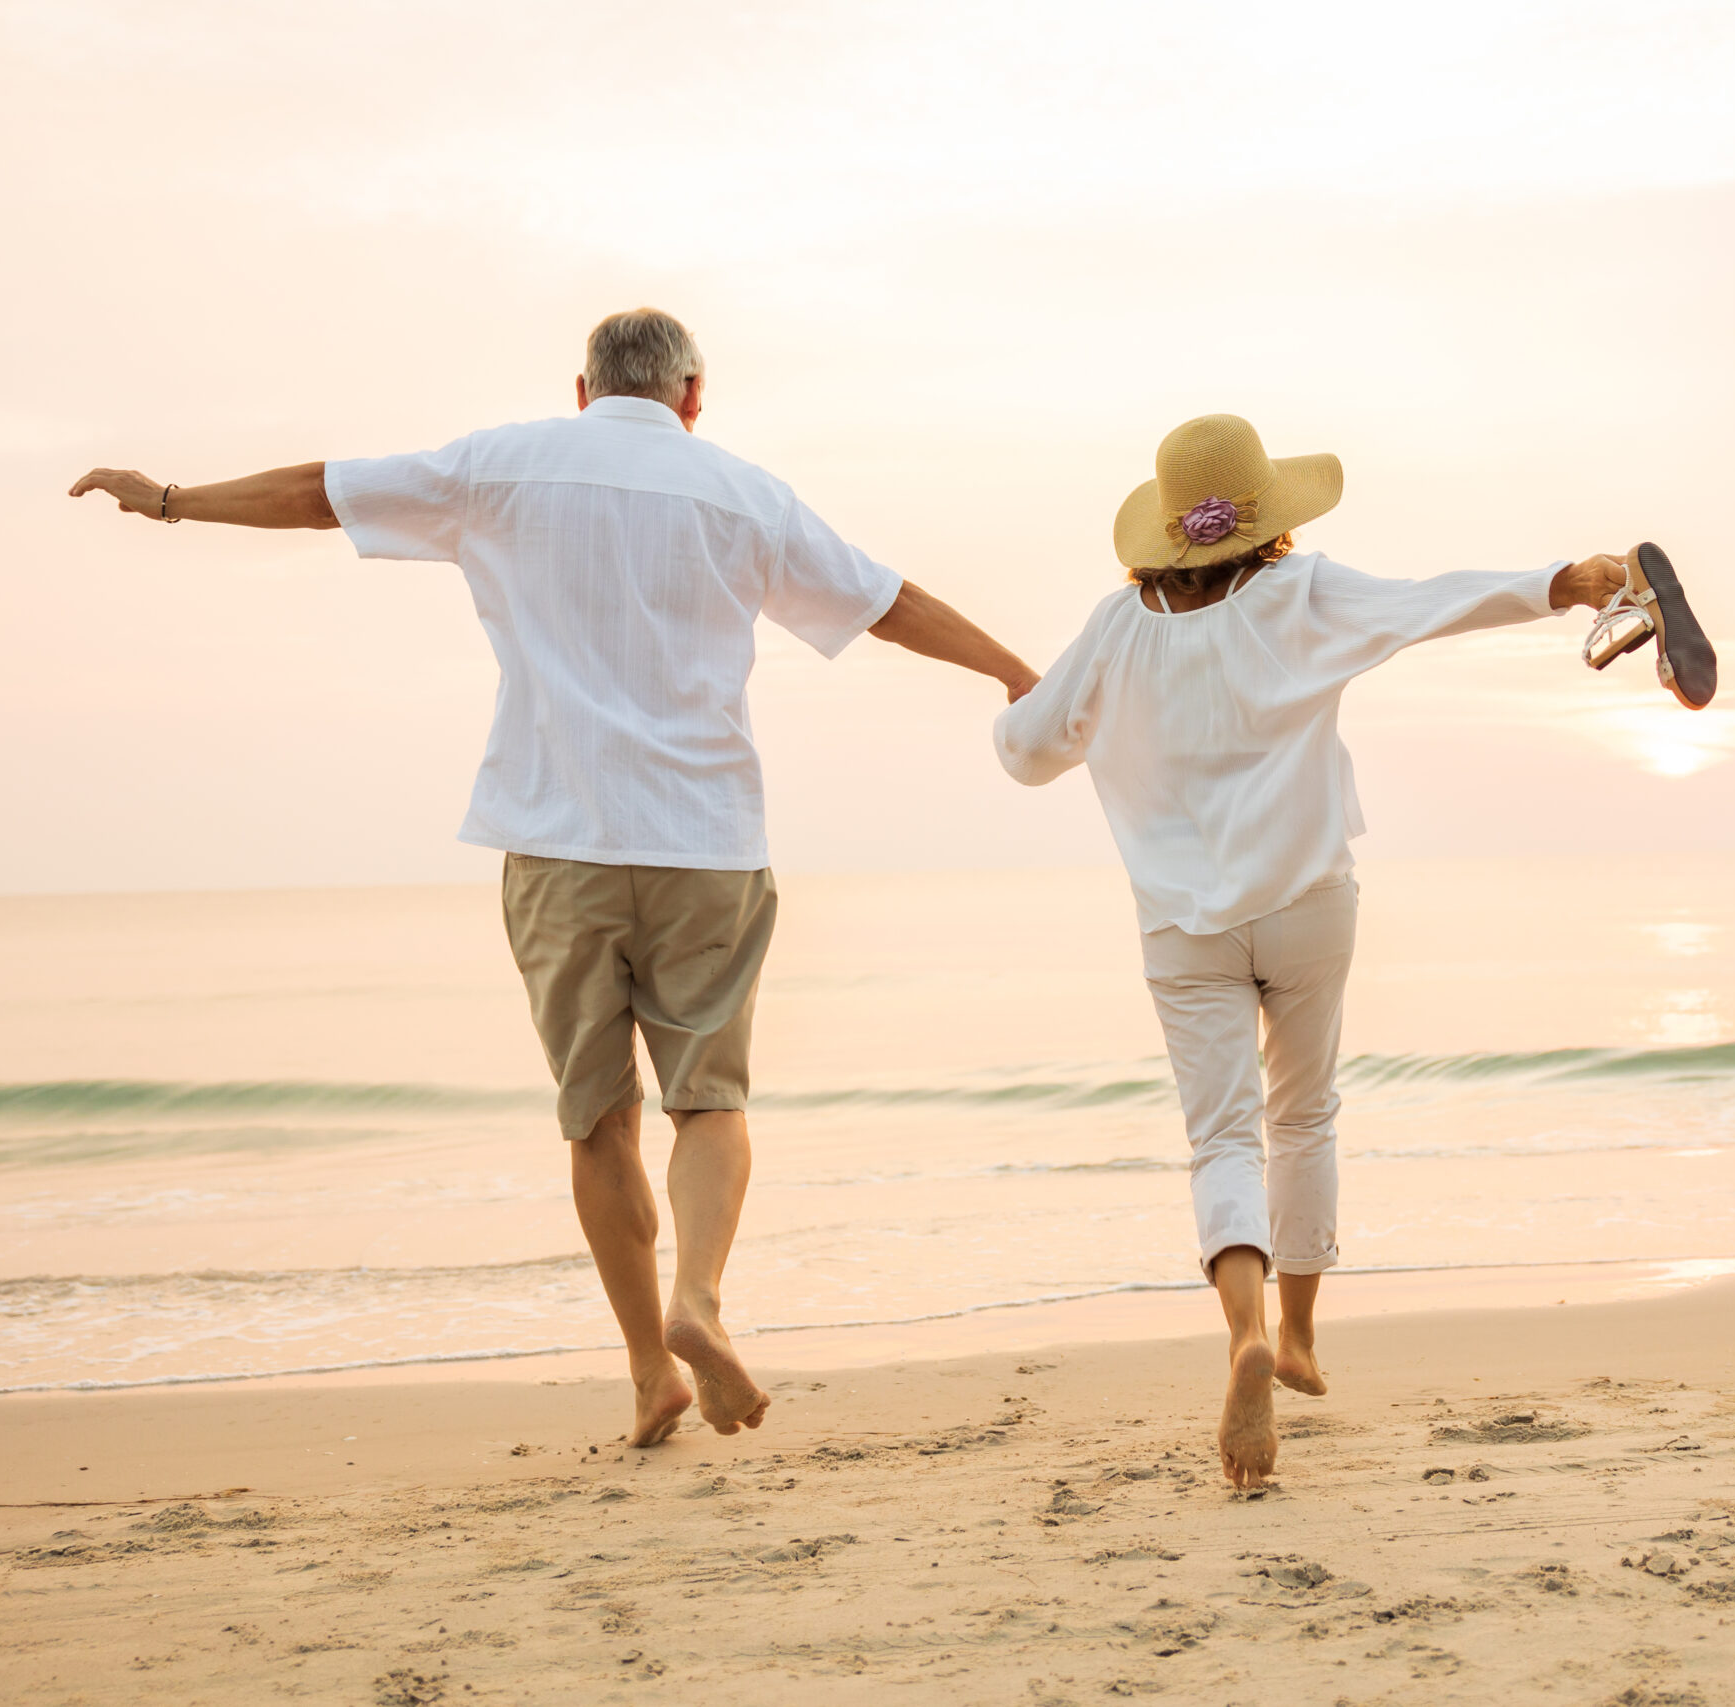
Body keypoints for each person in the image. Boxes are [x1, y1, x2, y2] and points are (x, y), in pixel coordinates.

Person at [70, 308, 1039, 1448]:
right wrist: (1013, 671)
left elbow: (320, 491)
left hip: (557, 837)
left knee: (598, 1122)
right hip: (706, 843)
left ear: (582, 390)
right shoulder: (743, 494)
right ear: (693, 395)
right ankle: (698, 1301)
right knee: (709, 1103)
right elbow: (886, 603)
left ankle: (648, 1371)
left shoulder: (503, 465)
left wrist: (170, 500)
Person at [992, 413, 1714, 1487]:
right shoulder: (1301, 593)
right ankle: (1296, 1338)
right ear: (1266, 517)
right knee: (1303, 1114)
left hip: (1182, 926)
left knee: (1221, 1135)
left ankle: (1241, 1332)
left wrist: (1025, 706)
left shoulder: (1114, 628)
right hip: (1308, 906)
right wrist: (1566, 582)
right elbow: (1432, 603)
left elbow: (1025, 753)